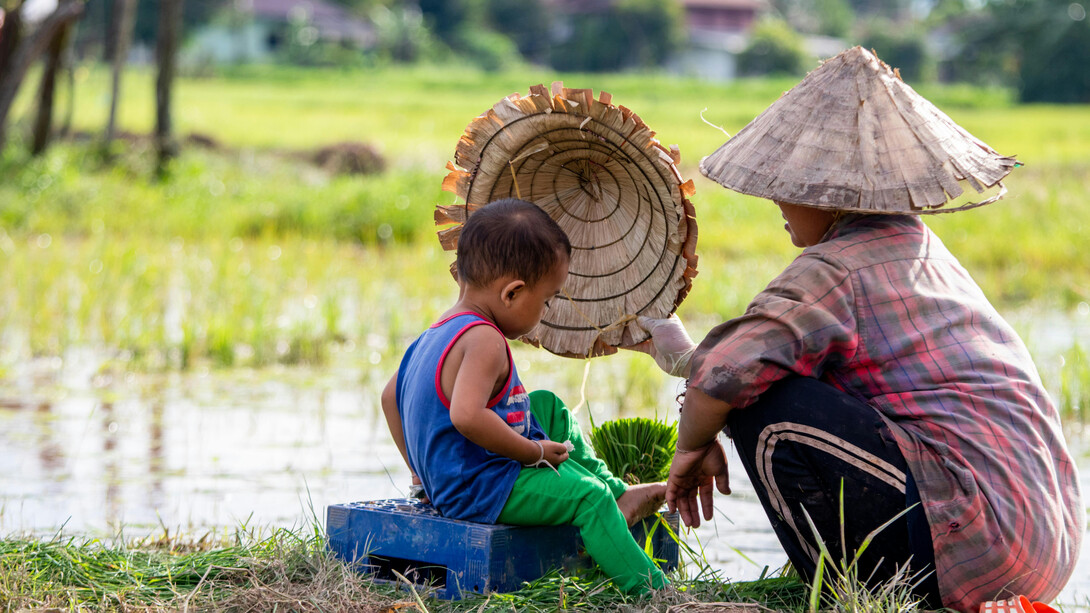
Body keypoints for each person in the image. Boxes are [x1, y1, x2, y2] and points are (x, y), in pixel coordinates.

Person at [634, 47, 1083, 612]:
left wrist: (691, 447)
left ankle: (848, 597)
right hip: (1041, 544)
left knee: (763, 409)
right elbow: (725, 362)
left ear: (831, 195)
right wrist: (678, 354)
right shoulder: (918, 246)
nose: (777, 196)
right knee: (761, 383)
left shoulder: (835, 268)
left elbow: (723, 376)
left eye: (789, 183)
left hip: (980, 543)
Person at [380, 198, 669, 595]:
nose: (546, 309)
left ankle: (621, 495)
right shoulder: (485, 339)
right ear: (513, 293)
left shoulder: (435, 332)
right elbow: (466, 415)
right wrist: (530, 453)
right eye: (547, 299)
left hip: (459, 480)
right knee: (589, 497)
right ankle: (654, 591)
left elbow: (389, 396)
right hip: (480, 488)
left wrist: (419, 473)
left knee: (547, 405)